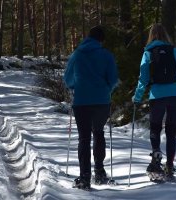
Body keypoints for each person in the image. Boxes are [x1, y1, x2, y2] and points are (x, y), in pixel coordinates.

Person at [132, 23, 176, 180]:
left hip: (157, 94)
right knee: (171, 129)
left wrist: (137, 97)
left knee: (155, 127)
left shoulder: (148, 53)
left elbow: (143, 79)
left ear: (151, 36)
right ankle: (170, 165)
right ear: (166, 35)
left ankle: (156, 154)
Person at [64, 25, 118, 190]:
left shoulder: (77, 54)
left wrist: (77, 86)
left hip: (81, 101)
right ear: (101, 40)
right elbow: (114, 79)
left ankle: (85, 177)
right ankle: (99, 172)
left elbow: (67, 79)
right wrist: (106, 90)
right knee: (99, 133)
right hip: (101, 101)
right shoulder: (106, 55)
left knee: (84, 138)